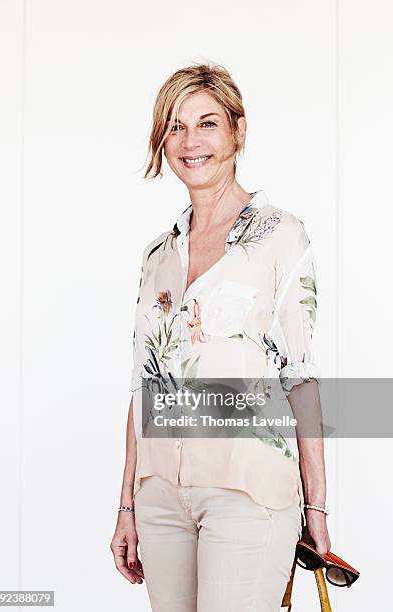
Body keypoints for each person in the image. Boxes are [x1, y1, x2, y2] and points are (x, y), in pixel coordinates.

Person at [110, 62, 331, 611]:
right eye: (176, 126)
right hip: (159, 498)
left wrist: (318, 510)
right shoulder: (158, 255)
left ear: (238, 130)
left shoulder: (281, 235)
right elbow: (145, 388)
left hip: (248, 491)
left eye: (207, 123)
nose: (191, 142)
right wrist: (127, 506)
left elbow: (300, 377)